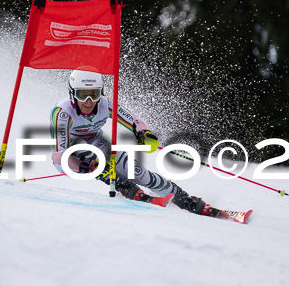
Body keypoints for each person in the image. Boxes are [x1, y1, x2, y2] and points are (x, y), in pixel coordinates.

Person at [49, 67, 211, 215]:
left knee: (139, 173)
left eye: (95, 94)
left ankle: (183, 198)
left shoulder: (104, 104)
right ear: (73, 94)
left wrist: (144, 133)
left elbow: (132, 119)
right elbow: (58, 156)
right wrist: (82, 165)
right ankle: (126, 188)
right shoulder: (63, 113)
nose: (89, 101)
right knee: (89, 153)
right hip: (71, 157)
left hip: (97, 143)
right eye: (83, 95)